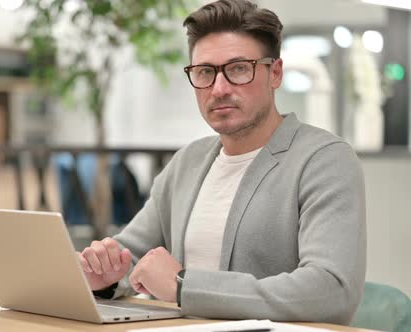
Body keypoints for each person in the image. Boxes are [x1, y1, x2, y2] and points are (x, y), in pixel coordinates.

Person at [77, 0, 366, 325]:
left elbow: (331, 291)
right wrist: (103, 275)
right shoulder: (188, 161)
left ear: (275, 73)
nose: (219, 88)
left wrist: (185, 285)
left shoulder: (324, 159)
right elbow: (128, 257)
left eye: (239, 68)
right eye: (204, 72)